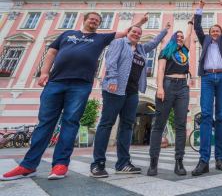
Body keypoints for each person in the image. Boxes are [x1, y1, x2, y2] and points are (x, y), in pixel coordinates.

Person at [0, 12, 148, 181]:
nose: (94, 21)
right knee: (45, 123)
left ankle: (60, 165)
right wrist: (44, 73)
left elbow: (126, 33)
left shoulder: (99, 38)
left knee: (70, 123)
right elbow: (51, 53)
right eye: (92, 19)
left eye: (98, 21)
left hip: (81, 84)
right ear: (84, 20)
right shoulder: (66, 34)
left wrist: (141, 22)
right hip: (55, 82)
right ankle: (28, 165)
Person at [90, 21, 170, 178]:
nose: (137, 34)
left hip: (132, 92)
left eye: (139, 33)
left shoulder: (141, 49)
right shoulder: (119, 42)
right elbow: (111, 61)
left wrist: (165, 31)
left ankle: (123, 163)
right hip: (115, 89)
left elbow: (153, 43)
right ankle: (98, 164)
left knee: (127, 126)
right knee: (106, 124)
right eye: (134, 31)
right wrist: (112, 79)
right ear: (128, 32)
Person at [191, 0, 222, 176]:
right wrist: (200, 8)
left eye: (217, 30)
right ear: (209, 34)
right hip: (208, 78)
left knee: (221, 116)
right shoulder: (205, 41)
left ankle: (219, 159)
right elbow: (197, 27)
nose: (215, 32)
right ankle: (203, 161)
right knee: (206, 115)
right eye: (213, 31)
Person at [147, 20, 193, 176]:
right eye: (177, 36)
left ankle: (179, 162)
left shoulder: (185, 50)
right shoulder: (166, 51)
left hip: (183, 87)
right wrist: (159, 87)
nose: (180, 38)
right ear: (173, 38)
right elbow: (160, 69)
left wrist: (191, 21)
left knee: (181, 125)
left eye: (181, 36)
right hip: (167, 84)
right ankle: (153, 162)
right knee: (159, 124)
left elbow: (189, 34)